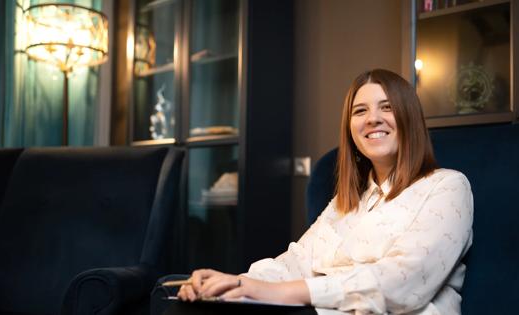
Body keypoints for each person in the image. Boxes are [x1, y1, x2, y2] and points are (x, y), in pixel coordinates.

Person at [175, 69, 473, 315]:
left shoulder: (446, 187)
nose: (372, 119)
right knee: (190, 304)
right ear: (351, 128)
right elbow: (297, 261)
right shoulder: (346, 202)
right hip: (321, 310)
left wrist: (276, 292)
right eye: (360, 111)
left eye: (387, 107)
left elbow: (402, 281)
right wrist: (234, 284)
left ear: (409, 117)